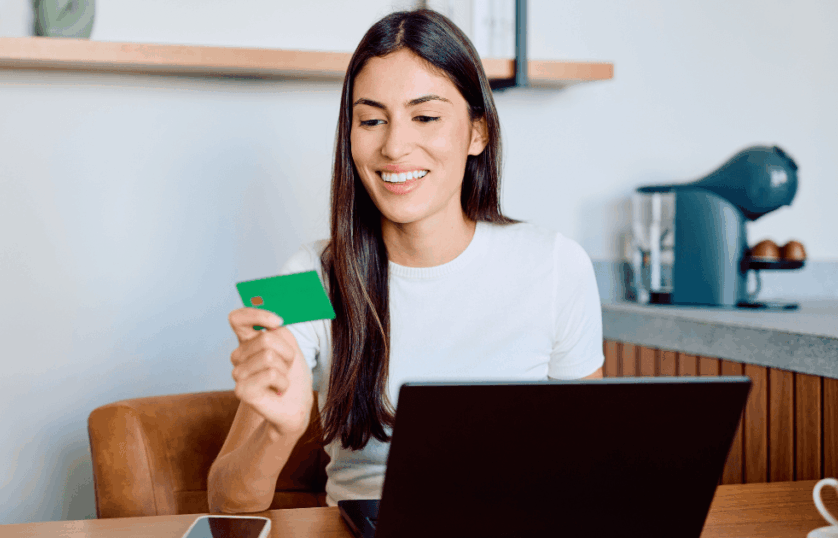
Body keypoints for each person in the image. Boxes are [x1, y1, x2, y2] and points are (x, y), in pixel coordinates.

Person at [207, 9, 605, 513]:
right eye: (371, 120)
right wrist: (278, 433)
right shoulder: (302, 277)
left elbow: (593, 461)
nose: (395, 146)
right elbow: (223, 501)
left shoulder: (558, 263)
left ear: (478, 132)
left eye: (426, 117)